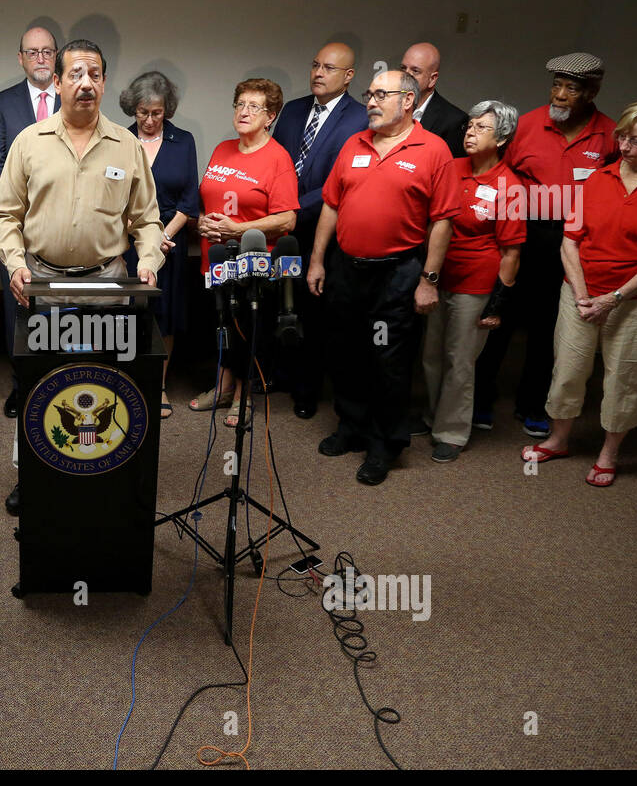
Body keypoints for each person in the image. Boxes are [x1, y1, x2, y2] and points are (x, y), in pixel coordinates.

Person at [0, 38, 162, 514]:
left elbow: (147, 219)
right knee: (41, 384)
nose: (85, 83)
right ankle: (33, 473)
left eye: (94, 74)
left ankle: (100, 471)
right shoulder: (30, 142)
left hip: (108, 285)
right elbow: (6, 213)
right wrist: (15, 262)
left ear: (105, 83)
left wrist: (149, 260)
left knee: (106, 384)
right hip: (44, 285)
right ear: (58, 81)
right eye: (75, 74)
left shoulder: (127, 146)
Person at [522, 98, 637, 487]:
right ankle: (559, 439)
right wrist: (582, 295)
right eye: (622, 138)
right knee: (567, 370)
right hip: (580, 294)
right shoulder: (597, 178)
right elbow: (570, 242)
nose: (626, 147)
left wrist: (612, 299)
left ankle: (608, 453)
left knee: (624, 378)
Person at [306, 70, 460, 485]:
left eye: (380, 94)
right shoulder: (354, 144)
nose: (370, 101)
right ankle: (351, 427)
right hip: (346, 270)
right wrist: (318, 260)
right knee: (346, 351)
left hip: (395, 276)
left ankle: (383, 443)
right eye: (369, 94)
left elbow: (443, 221)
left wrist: (429, 279)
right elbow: (331, 207)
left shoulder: (433, 149)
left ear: (407, 101)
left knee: (386, 359)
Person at [475, 52, 618, 437]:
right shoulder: (527, 124)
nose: (559, 95)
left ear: (591, 92)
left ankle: (533, 404)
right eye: (556, 85)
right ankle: (480, 400)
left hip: (571, 241)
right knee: (498, 317)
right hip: (522, 232)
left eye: (570, 89)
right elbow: (500, 173)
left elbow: (616, 189)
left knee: (548, 325)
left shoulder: (609, 134)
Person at [419, 101, 524, 462]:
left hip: (475, 284)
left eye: (482, 128)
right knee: (432, 354)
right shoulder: (451, 167)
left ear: (503, 138)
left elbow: (511, 254)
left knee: (459, 359)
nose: (470, 133)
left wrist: (497, 305)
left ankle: (451, 432)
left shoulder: (509, 186)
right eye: (470, 126)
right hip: (438, 275)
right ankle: (434, 417)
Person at [192, 77, 298, 427]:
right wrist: (204, 222)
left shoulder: (277, 158)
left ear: (271, 117)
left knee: (247, 329)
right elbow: (208, 196)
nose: (244, 111)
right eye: (240, 104)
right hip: (215, 258)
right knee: (220, 322)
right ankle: (222, 388)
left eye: (255, 106)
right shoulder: (223, 148)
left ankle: (243, 396)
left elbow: (288, 218)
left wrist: (238, 229)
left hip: (252, 263)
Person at [272, 42, 369, 418]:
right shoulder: (294, 110)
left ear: (348, 76)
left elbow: (342, 183)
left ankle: (307, 390)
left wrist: (295, 209)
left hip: (321, 229)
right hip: (283, 228)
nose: (317, 73)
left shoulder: (359, 118)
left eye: (328, 68)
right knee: (280, 301)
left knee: (314, 311)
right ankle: (280, 373)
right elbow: (277, 164)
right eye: (315, 65)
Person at [0, 25, 60, 419]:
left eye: (47, 51)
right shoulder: (3, 103)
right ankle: (21, 385)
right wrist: (27, 204)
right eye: (32, 52)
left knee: (59, 305)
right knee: (18, 307)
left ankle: (56, 378)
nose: (41, 58)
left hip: (64, 226)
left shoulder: (77, 99)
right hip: (17, 223)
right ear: (20, 58)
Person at [118, 71, 200, 419]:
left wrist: (162, 237)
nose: (150, 120)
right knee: (126, 313)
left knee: (164, 316)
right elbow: (109, 195)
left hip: (169, 240)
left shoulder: (184, 141)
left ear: (168, 109)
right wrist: (136, 234)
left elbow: (190, 198)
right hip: (124, 240)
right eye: (142, 112)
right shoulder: (118, 140)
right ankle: (128, 380)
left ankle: (159, 385)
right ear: (132, 109)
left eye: (157, 112)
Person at [400, 42, 468, 158]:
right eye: (403, 68)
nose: (405, 75)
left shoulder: (453, 121)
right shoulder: (387, 106)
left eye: (415, 71)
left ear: (432, 79)